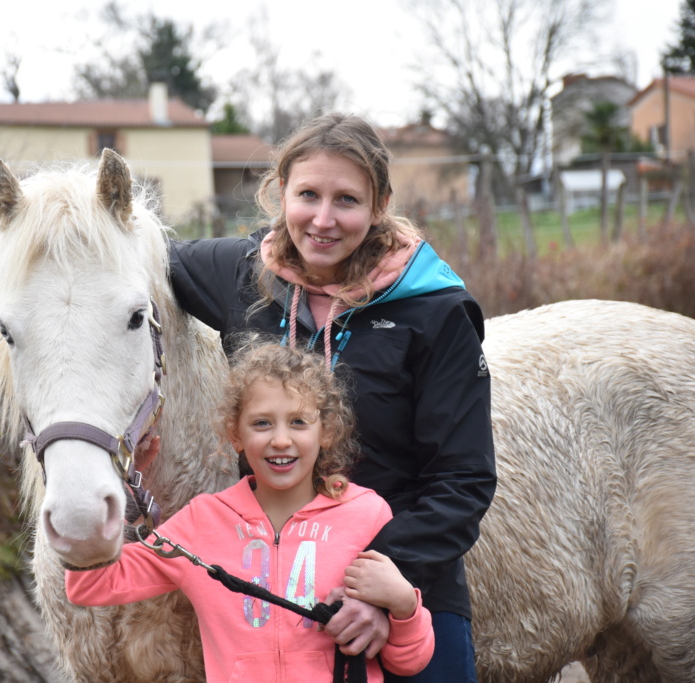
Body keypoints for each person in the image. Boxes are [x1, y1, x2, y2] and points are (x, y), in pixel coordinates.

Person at [167, 112, 496, 681]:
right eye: (308, 195)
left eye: (346, 199)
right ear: (280, 194)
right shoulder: (242, 277)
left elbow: (463, 479)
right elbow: (132, 258)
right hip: (277, 605)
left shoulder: (435, 310)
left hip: (404, 591)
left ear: (380, 203)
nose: (322, 219)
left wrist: (385, 588)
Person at [65, 342, 434, 682]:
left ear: (327, 431)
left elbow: (409, 661)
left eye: (299, 422)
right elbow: (90, 584)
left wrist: (403, 605)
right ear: (235, 434)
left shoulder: (366, 514)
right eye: (261, 423)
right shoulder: (203, 521)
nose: (280, 439)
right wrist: (121, 488)